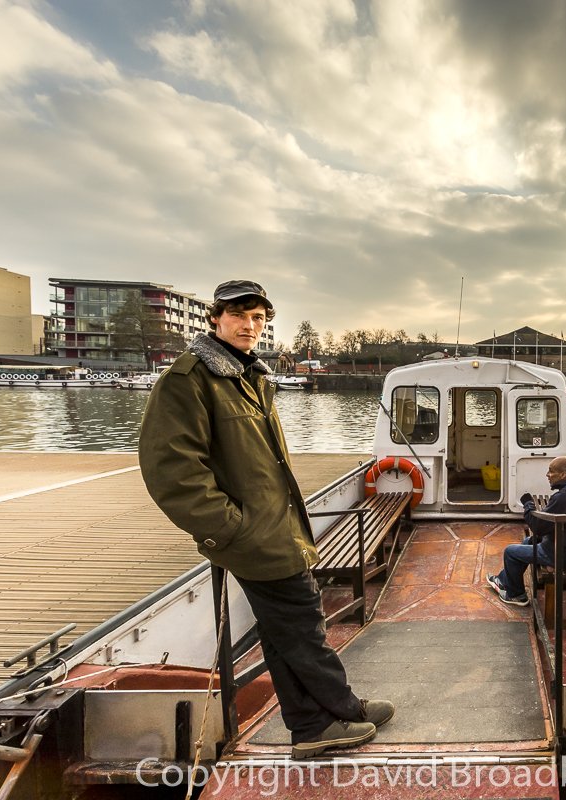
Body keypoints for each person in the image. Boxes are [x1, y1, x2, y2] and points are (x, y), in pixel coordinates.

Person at [138, 279, 393, 759]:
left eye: (258, 318)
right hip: (253, 533)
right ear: (215, 318)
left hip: (275, 526)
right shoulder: (190, 380)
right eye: (239, 315)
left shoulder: (247, 376)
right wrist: (230, 527)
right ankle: (339, 711)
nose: (250, 326)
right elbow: (171, 471)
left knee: (284, 630)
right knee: (303, 620)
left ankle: (314, 723)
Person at [487, 456, 566, 606]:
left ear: (563, 475)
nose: (547, 475)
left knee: (510, 552)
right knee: (527, 542)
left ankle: (516, 595)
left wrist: (528, 504)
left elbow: (537, 528)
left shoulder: (564, 497)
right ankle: (504, 580)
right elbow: (547, 526)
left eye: (551, 471)